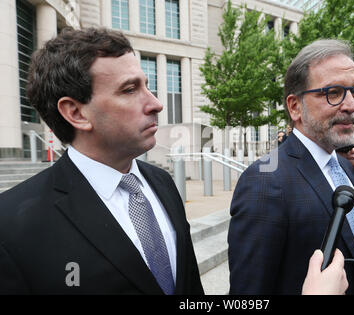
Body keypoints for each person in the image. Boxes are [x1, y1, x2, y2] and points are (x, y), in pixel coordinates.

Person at [0, 27, 203, 295]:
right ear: (76, 113)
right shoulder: (10, 225)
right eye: (130, 89)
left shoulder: (162, 182)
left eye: (147, 86)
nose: (155, 104)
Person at [228, 39, 354, 295]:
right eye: (334, 93)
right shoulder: (263, 181)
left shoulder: (346, 168)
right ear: (295, 107)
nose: (351, 106)